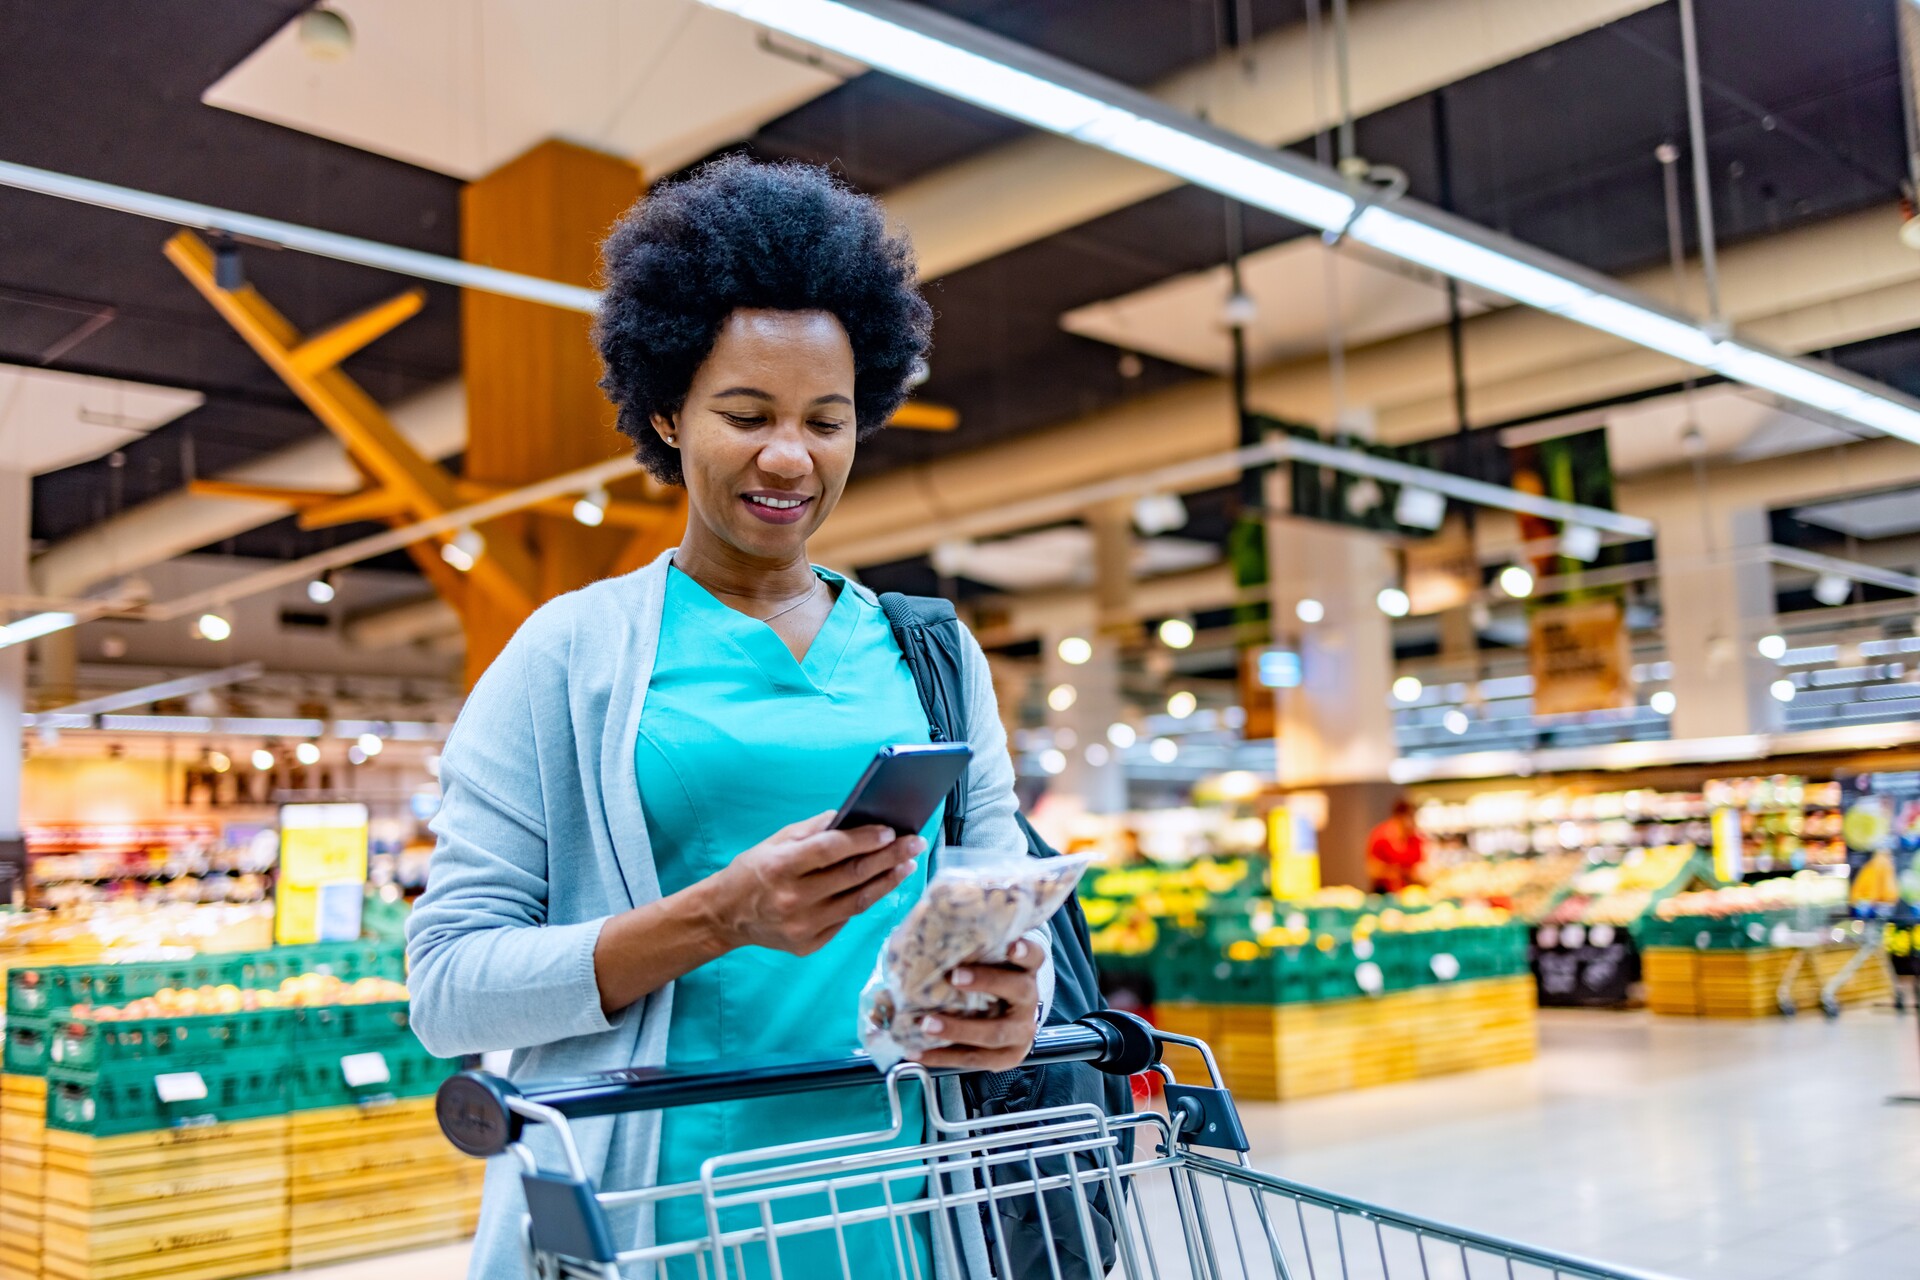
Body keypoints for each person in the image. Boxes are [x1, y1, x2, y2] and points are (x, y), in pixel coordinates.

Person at [405, 155, 1051, 1280]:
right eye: (745, 414)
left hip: (906, 1208)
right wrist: (718, 916)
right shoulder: (566, 655)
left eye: (827, 420)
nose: (789, 457)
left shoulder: (933, 652)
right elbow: (448, 988)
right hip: (660, 1211)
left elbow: (1001, 908)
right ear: (666, 409)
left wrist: (1014, 1000)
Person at [1366, 797, 1427, 894]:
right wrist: (1392, 872)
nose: (1413, 823)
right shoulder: (1380, 836)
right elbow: (1372, 869)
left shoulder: (1415, 839)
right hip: (1383, 892)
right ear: (1398, 817)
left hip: (1409, 892)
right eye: (1410, 817)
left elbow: (1420, 866)